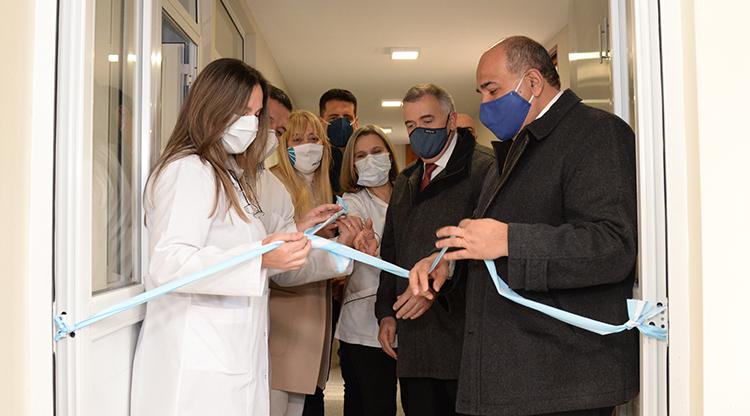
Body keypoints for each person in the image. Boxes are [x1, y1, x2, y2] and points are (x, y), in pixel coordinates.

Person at [409, 36, 639, 416]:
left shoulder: (597, 133)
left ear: (532, 82)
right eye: (480, 92)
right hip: (513, 380)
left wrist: (510, 240)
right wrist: (448, 263)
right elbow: (494, 249)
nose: (483, 104)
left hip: (564, 382)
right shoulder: (514, 151)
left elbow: (612, 246)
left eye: (492, 90)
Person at [130, 58, 311, 416]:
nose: (251, 123)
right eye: (243, 111)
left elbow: (238, 248)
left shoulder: (226, 174)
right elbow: (169, 263)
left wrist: (294, 236)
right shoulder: (187, 171)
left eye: (256, 114)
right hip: (196, 368)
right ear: (213, 106)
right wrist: (259, 258)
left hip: (228, 357)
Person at [375, 83, 495, 416]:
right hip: (414, 341)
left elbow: (488, 252)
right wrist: (386, 312)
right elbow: (392, 251)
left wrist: (437, 286)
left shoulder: (485, 169)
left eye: (428, 120)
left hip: (463, 340)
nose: (418, 132)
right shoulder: (407, 179)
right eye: (411, 125)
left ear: (452, 120)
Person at [268, 110, 369, 416]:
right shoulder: (274, 185)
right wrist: (340, 250)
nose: (307, 147)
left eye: (314, 139)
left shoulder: (324, 189)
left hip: (312, 318)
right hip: (284, 322)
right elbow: (282, 263)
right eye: (297, 140)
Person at [335, 125, 401, 415]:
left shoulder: (408, 194)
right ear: (352, 164)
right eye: (360, 156)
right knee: (371, 405)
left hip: (412, 315)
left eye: (376, 152)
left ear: (389, 154)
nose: (370, 160)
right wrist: (364, 241)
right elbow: (357, 227)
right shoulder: (352, 202)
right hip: (363, 324)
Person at [319, 88, 359, 194]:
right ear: (321, 123)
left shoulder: (364, 159)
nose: (341, 123)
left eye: (347, 118)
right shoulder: (313, 160)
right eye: (333, 118)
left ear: (356, 123)